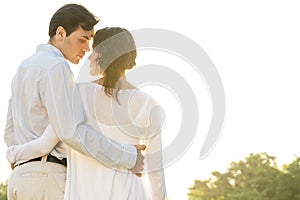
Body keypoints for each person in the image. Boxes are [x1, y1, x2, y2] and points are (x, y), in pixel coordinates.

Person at [6, 27, 167, 200]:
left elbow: (45, 144)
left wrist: (14, 154)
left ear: (102, 53)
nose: (88, 56)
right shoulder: (149, 105)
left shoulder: (77, 94)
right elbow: (156, 174)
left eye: (93, 50)